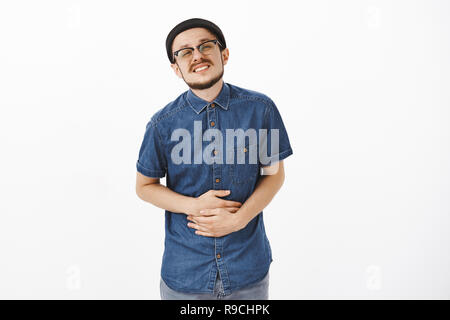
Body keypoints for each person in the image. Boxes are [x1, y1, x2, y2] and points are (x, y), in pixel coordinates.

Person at [135, 18, 293, 300]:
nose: (197, 55)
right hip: (185, 274)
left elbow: (274, 174)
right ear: (176, 68)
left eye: (206, 45)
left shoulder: (261, 110)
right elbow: (144, 186)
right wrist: (193, 205)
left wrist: (239, 220)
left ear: (225, 54)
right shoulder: (162, 124)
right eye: (184, 52)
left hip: (248, 271)